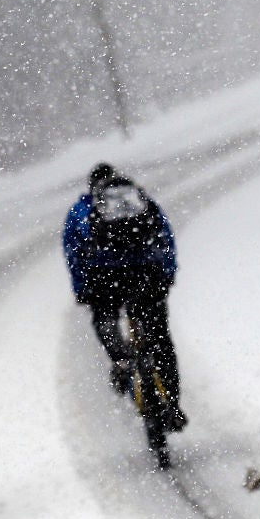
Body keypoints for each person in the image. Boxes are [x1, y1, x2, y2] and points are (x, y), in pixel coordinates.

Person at [62, 163, 186, 431]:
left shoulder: (83, 209)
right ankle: (173, 404)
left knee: (105, 320)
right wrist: (166, 272)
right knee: (160, 338)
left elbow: (73, 252)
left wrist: (82, 288)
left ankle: (121, 359)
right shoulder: (139, 201)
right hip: (146, 273)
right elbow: (165, 235)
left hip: (105, 278)